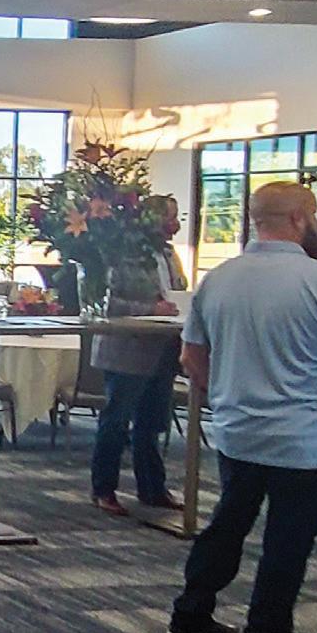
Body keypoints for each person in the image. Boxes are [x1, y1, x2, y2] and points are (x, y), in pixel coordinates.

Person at [166, 182, 317, 633]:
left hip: (237, 428)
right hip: (304, 435)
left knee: (228, 523)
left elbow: (191, 358)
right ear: (301, 220)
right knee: (287, 541)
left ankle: (191, 613)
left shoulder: (218, 279)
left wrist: (227, 389)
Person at [90, 195, 187, 516]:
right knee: (116, 422)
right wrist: (151, 309)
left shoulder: (169, 254)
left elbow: (176, 291)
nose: (176, 224)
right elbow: (107, 304)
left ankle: (153, 488)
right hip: (127, 350)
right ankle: (104, 489)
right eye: (170, 217)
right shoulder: (123, 253)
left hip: (163, 348)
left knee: (152, 423)